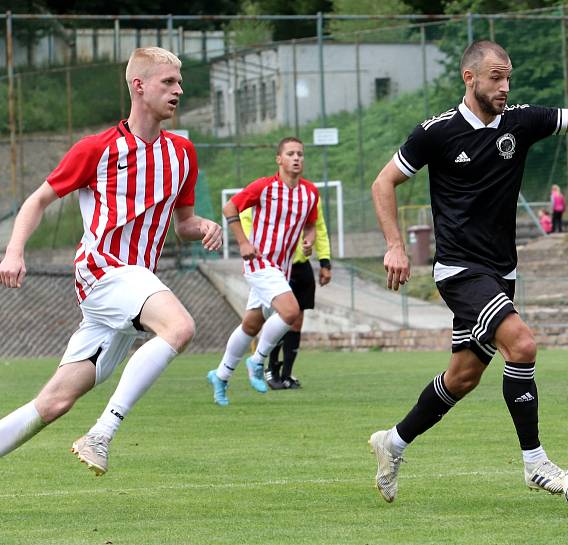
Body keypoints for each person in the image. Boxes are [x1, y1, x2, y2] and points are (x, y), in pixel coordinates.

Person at [368, 40, 568, 503]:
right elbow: (383, 181)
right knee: (522, 344)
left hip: (499, 272)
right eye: (495, 77)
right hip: (458, 271)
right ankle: (535, 463)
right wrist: (395, 246)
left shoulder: (520, 122)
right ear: (469, 78)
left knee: (463, 377)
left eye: (508, 77)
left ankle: (392, 442)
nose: (504, 86)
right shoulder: (437, 133)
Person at [0, 47, 222, 475]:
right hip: (103, 270)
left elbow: (184, 223)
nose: (179, 90)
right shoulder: (97, 149)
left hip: (134, 286)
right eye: (168, 82)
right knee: (180, 328)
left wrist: (204, 226)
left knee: (54, 403)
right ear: (139, 86)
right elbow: (38, 199)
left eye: (180, 82)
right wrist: (14, 250)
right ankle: (102, 432)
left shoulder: (182, 153)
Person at [207, 137, 319, 406]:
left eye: (300, 154)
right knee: (291, 312)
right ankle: (257, 361)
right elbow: (229, 207)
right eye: (290, 154)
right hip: (259, 261)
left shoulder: (310, 193)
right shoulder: (264, 187)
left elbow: (311, 224)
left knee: (251, 324)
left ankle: (220, 375)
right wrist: (244, 242)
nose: (296, 158)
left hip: (282, 267)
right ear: (279, 160)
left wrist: (309, 240)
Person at [239, 199, 332, 390]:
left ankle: (287, 374)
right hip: (274, 267)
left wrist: (324, 261)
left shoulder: (309, 196)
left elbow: (318, 227)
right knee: (279, 318)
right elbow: (245, 220)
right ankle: (270, 369)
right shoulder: (265, 194)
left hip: (301, 265)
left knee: (296, 322)